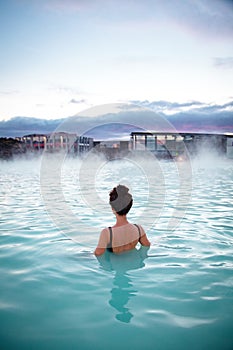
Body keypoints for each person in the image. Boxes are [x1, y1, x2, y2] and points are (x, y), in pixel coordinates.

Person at [94, 185, 150, 256]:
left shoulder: (107, 233)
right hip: (133, 265)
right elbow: (147, 245)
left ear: (112, 208)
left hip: (113, 266)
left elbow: (98, 254)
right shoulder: (139, 229)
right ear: (129, 207)